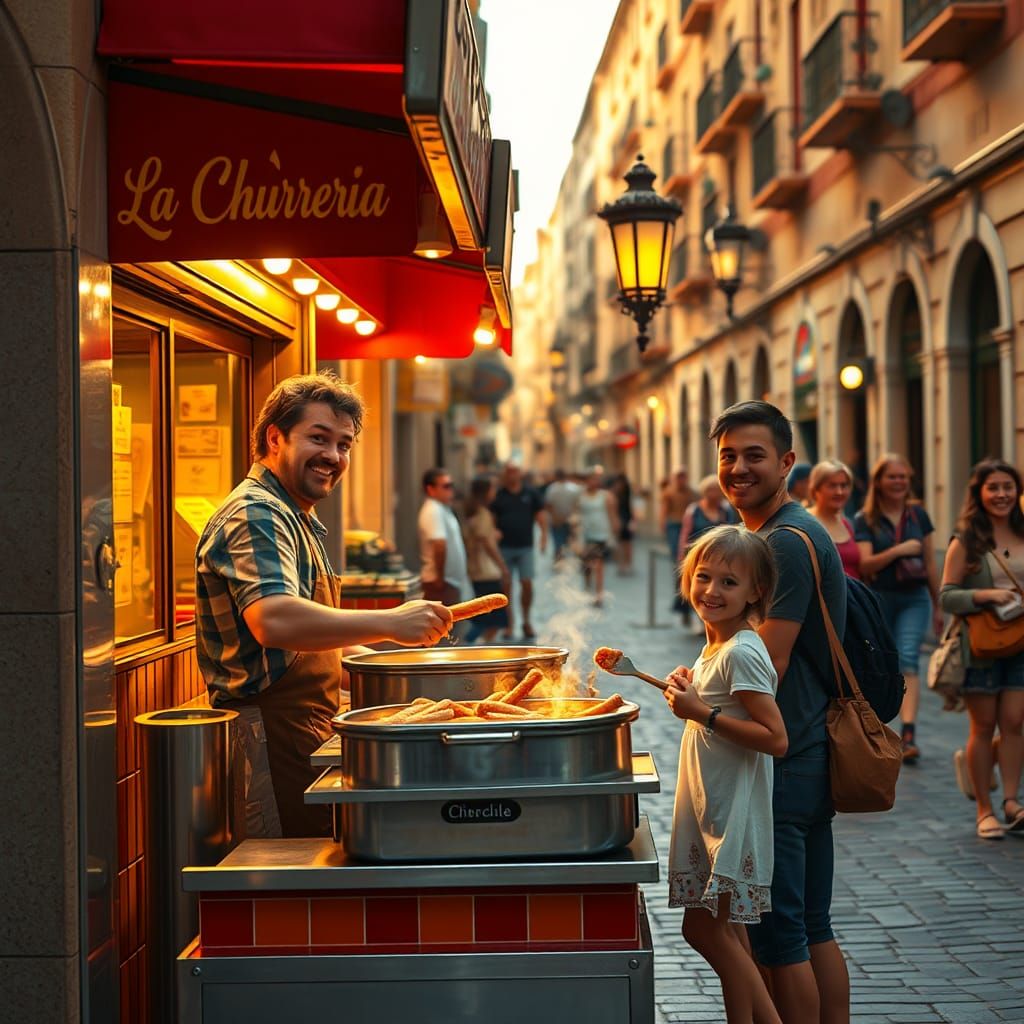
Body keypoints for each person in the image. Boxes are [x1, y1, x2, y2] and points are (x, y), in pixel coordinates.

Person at [195, 372, 452, 838]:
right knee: (286, 879)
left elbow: (313, 640)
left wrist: (400, 673)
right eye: (318, 438)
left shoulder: (295, 516)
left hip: (301, 731)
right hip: (268, 739)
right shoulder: (257, 512)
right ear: (275, 437)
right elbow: (274, 620)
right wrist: (391, 622)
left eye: (344, 444)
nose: (333, 456)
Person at [711, 400, 850, 1024]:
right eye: (728, 456)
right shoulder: (786, 532)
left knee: (779, 934)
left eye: (754, 456)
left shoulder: (784, 544)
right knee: (809, 925)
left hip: (786, 758)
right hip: (806, 747)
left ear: (788, 462)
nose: (739, 468)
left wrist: (704, 698)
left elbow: (771, 659)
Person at [663, 525, 786, 1024]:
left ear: (756, 592)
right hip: (712, 803)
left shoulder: (740, 649)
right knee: (727, 932)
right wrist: (691, 693)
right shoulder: (718, 646)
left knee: (705, 930)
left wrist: (702, 713)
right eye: (704, 577)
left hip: (731, 811)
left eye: (729, 583)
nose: (712, 591)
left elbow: (776, 737)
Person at [940, 459, 1024, 839]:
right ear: (979, 493)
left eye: (1008, 486)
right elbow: (947, 596)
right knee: (984, 725)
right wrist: (986, 594)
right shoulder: (966, 541)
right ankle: (984, 810)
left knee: (1014, 724)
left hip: (1021, 644)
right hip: (982, 647)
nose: (1002, 494)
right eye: (994, 487)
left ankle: (1011, 802)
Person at [854, 453, 943, 764]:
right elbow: (865, 564)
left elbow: (931, 563)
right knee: (880, 663)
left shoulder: (919, 516)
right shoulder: (864, 520)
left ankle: (908, 732)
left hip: (915, 597)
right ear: (879, 481)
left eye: (903, 476)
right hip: (879, 598)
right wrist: (899, 550)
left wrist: (938, 605)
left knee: (908, 658)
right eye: (892, 476)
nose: (899, 482)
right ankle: (876, 728)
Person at [491, 462, 547, 639]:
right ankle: (509, 625)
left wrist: (544, 536)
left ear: (520, 474)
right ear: (505, 474)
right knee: (506, 587)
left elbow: (540, 516)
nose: (512, 475)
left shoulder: (531, 493)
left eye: (515, 471)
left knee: (527, 584)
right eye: (509, 472)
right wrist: (493, 532)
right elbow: (492, 519)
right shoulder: (499, 495)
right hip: (504, 548)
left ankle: (526, 621)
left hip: (525, 547)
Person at [676, 476, 738, 629]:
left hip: (721, 557)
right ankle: (693, 616)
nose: (714, 494)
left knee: (713, 590)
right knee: (696, 587)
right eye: (710, 490)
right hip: (697, 556)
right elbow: (685, 532)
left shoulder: (726, 509)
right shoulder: (694, 509)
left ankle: (709, 622)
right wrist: (682, 555)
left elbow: (733, 530)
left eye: (717, 490)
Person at [461, 475, 511, 644]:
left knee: (488, 615)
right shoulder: (482, 513)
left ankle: (478, 644)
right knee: (492, 617)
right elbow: (485, 542)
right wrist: (502, 565)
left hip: (478, 569)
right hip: (486, 570)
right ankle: (469, 643)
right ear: (486, 492)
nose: (495, 491)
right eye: (493, 488)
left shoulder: (473, 511)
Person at [418, 467, 472, 606]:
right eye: (446, 486)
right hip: (441, 583)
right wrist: (440, 579)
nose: (451, 490)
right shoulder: (433, 510)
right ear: (431, 489)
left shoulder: (442, 508)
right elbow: (439, 544)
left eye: (451, 486)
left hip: (449, 582)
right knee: (443, 625)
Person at [808, 460, 861, 579]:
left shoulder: (847, 523)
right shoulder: (806, 522)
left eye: (844, 485)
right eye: (832, 486)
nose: (839, 492)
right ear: (816, 489)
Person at [578, 469, 619, 607]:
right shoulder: (581, 496)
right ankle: (588, 586)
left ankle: (599, 595)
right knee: (587, 566)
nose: (593, 482)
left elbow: (612, 514)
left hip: (601, 534)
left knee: (599, 564)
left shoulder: (605, 496)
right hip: (585, 535)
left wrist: (614, 531)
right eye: (590, 479)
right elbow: (576, 513)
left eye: (595, 479)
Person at [544, 467, 581, 562]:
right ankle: (563, 558)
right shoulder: (574, 488)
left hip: (556, 520)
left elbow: (548, 505)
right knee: (567, 540)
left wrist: (556, 518)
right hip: (570, 519)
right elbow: (577, 505)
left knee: (558, 541)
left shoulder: (552, 488)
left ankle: (559, 559)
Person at [610, 473, 635, 575]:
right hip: (618, 521)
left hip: (627, 520)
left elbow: (631, 508)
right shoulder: (614, 494)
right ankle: (621, 565)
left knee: (627, 544)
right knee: (620, 544)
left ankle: (628, 564)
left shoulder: (628, 494)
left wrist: (633, 521)